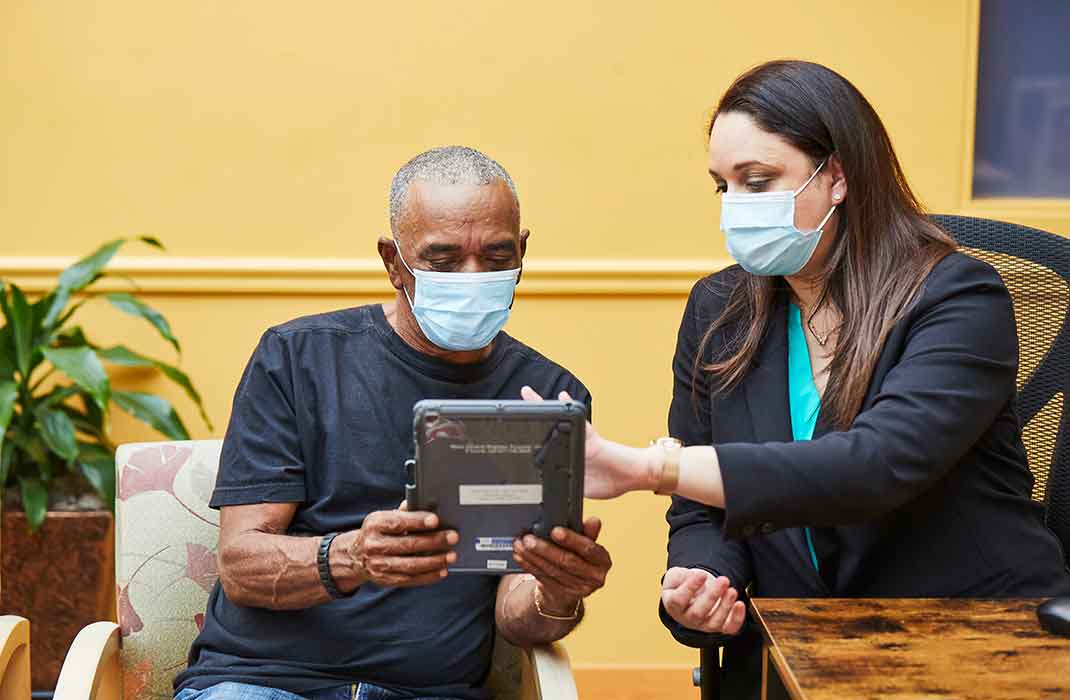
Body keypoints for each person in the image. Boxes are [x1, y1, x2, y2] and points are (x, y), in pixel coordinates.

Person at [522, 60, 1070, 698]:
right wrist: (703, 581)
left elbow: (874, 466)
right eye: (721, 186)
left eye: (758, 181)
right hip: (797, 650)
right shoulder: (718, 311)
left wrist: (648, 467)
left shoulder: (957, 297)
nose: (734, 207)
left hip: (969, 640)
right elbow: (701, 512)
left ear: (836, 176)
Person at [174, 146, 612, 700]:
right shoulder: (296, 359)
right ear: (392, 261)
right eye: (444, 260)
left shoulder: (547, 396)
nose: (473, 277)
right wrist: (354, 555)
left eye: (497, 256)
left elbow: (515, 611)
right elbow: (241, 566)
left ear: (523, 251)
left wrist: (557, 591)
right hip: (265, 683)